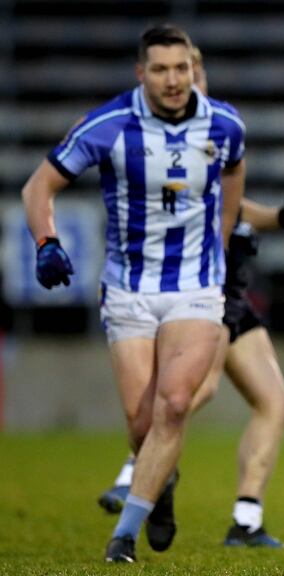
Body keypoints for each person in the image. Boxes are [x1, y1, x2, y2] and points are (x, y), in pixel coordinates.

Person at [22, 24, 246, 563]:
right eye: (161, 69)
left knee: (173, 404)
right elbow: (39, 186)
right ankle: (160, 482)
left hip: (195, 284)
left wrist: (222, 250)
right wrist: (46, 241)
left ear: (193, 69)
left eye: (182, 68)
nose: (174, 80)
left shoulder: (225, 123)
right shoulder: (108, 125)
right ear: (141, 73)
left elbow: (234, 178)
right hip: (128, 288)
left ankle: (123, 535)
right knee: (142, 422)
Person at [92, 44, 284, 550]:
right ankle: (139, 470)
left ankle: (246, 519)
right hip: (198, 291)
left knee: (276, 404)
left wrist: (283, 217)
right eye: (172, 72)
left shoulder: (215, 134)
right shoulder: (164, 143)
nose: (184, 81)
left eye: (192, 71)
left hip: (234, 292)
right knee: (194, 391)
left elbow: (234, 210)